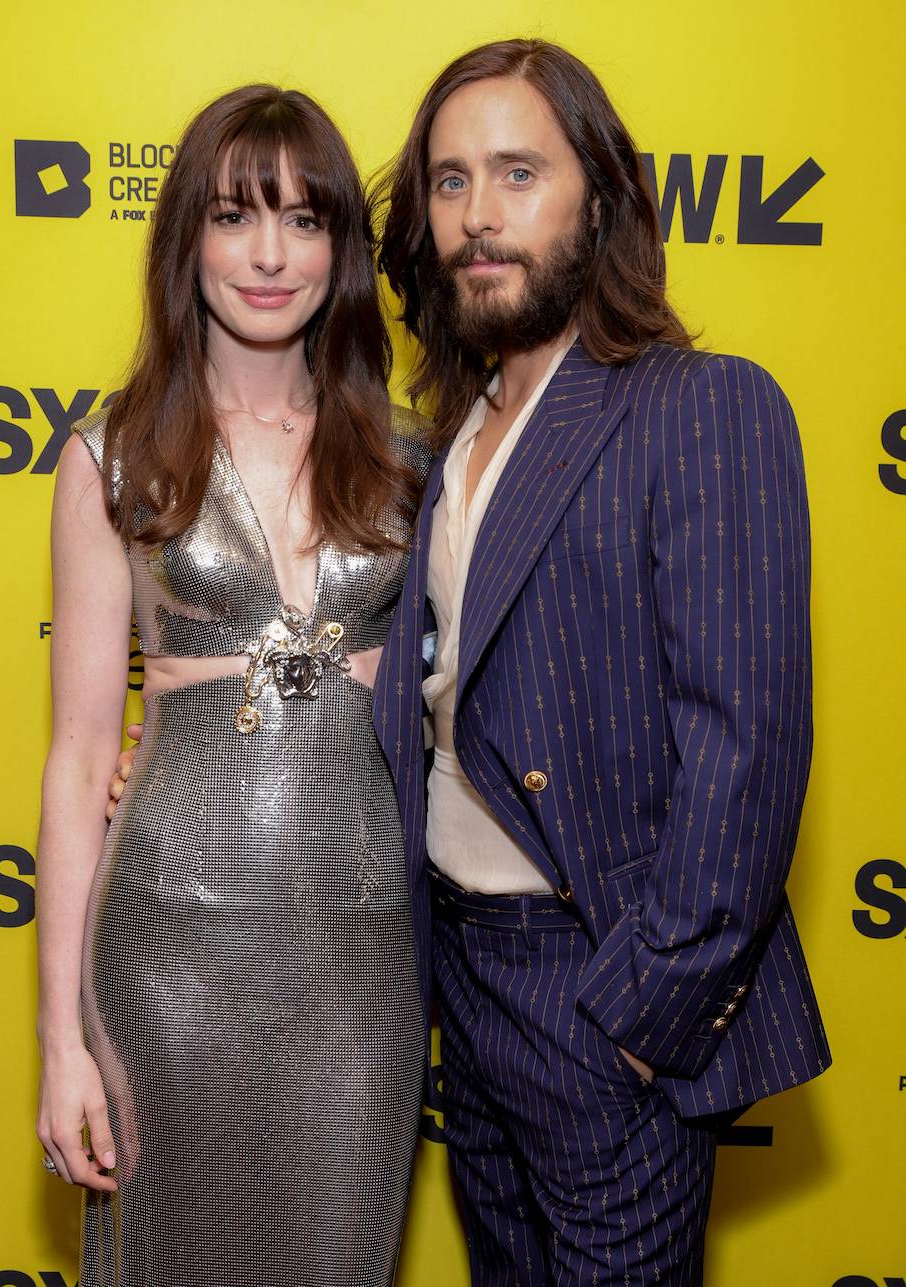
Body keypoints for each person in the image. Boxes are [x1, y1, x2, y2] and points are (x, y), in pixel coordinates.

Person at [368, 38, 831, 1285]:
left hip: (596, 984)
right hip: (460, 977)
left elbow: (745, 747)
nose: (477, 216)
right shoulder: (443, 440)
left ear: (601, 197)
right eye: (451, 182)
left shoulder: (700, 405)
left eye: (518, 172)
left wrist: (640, 1021)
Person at [36, 84, 430, 1287]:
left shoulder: (417, 454)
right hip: (168, 945)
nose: (269, 254)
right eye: (234, 216)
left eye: (304, 220)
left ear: (341, 252)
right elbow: (76, 750)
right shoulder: (112, 454)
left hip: (359, 959)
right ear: (186, 241)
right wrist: (60, 1039)